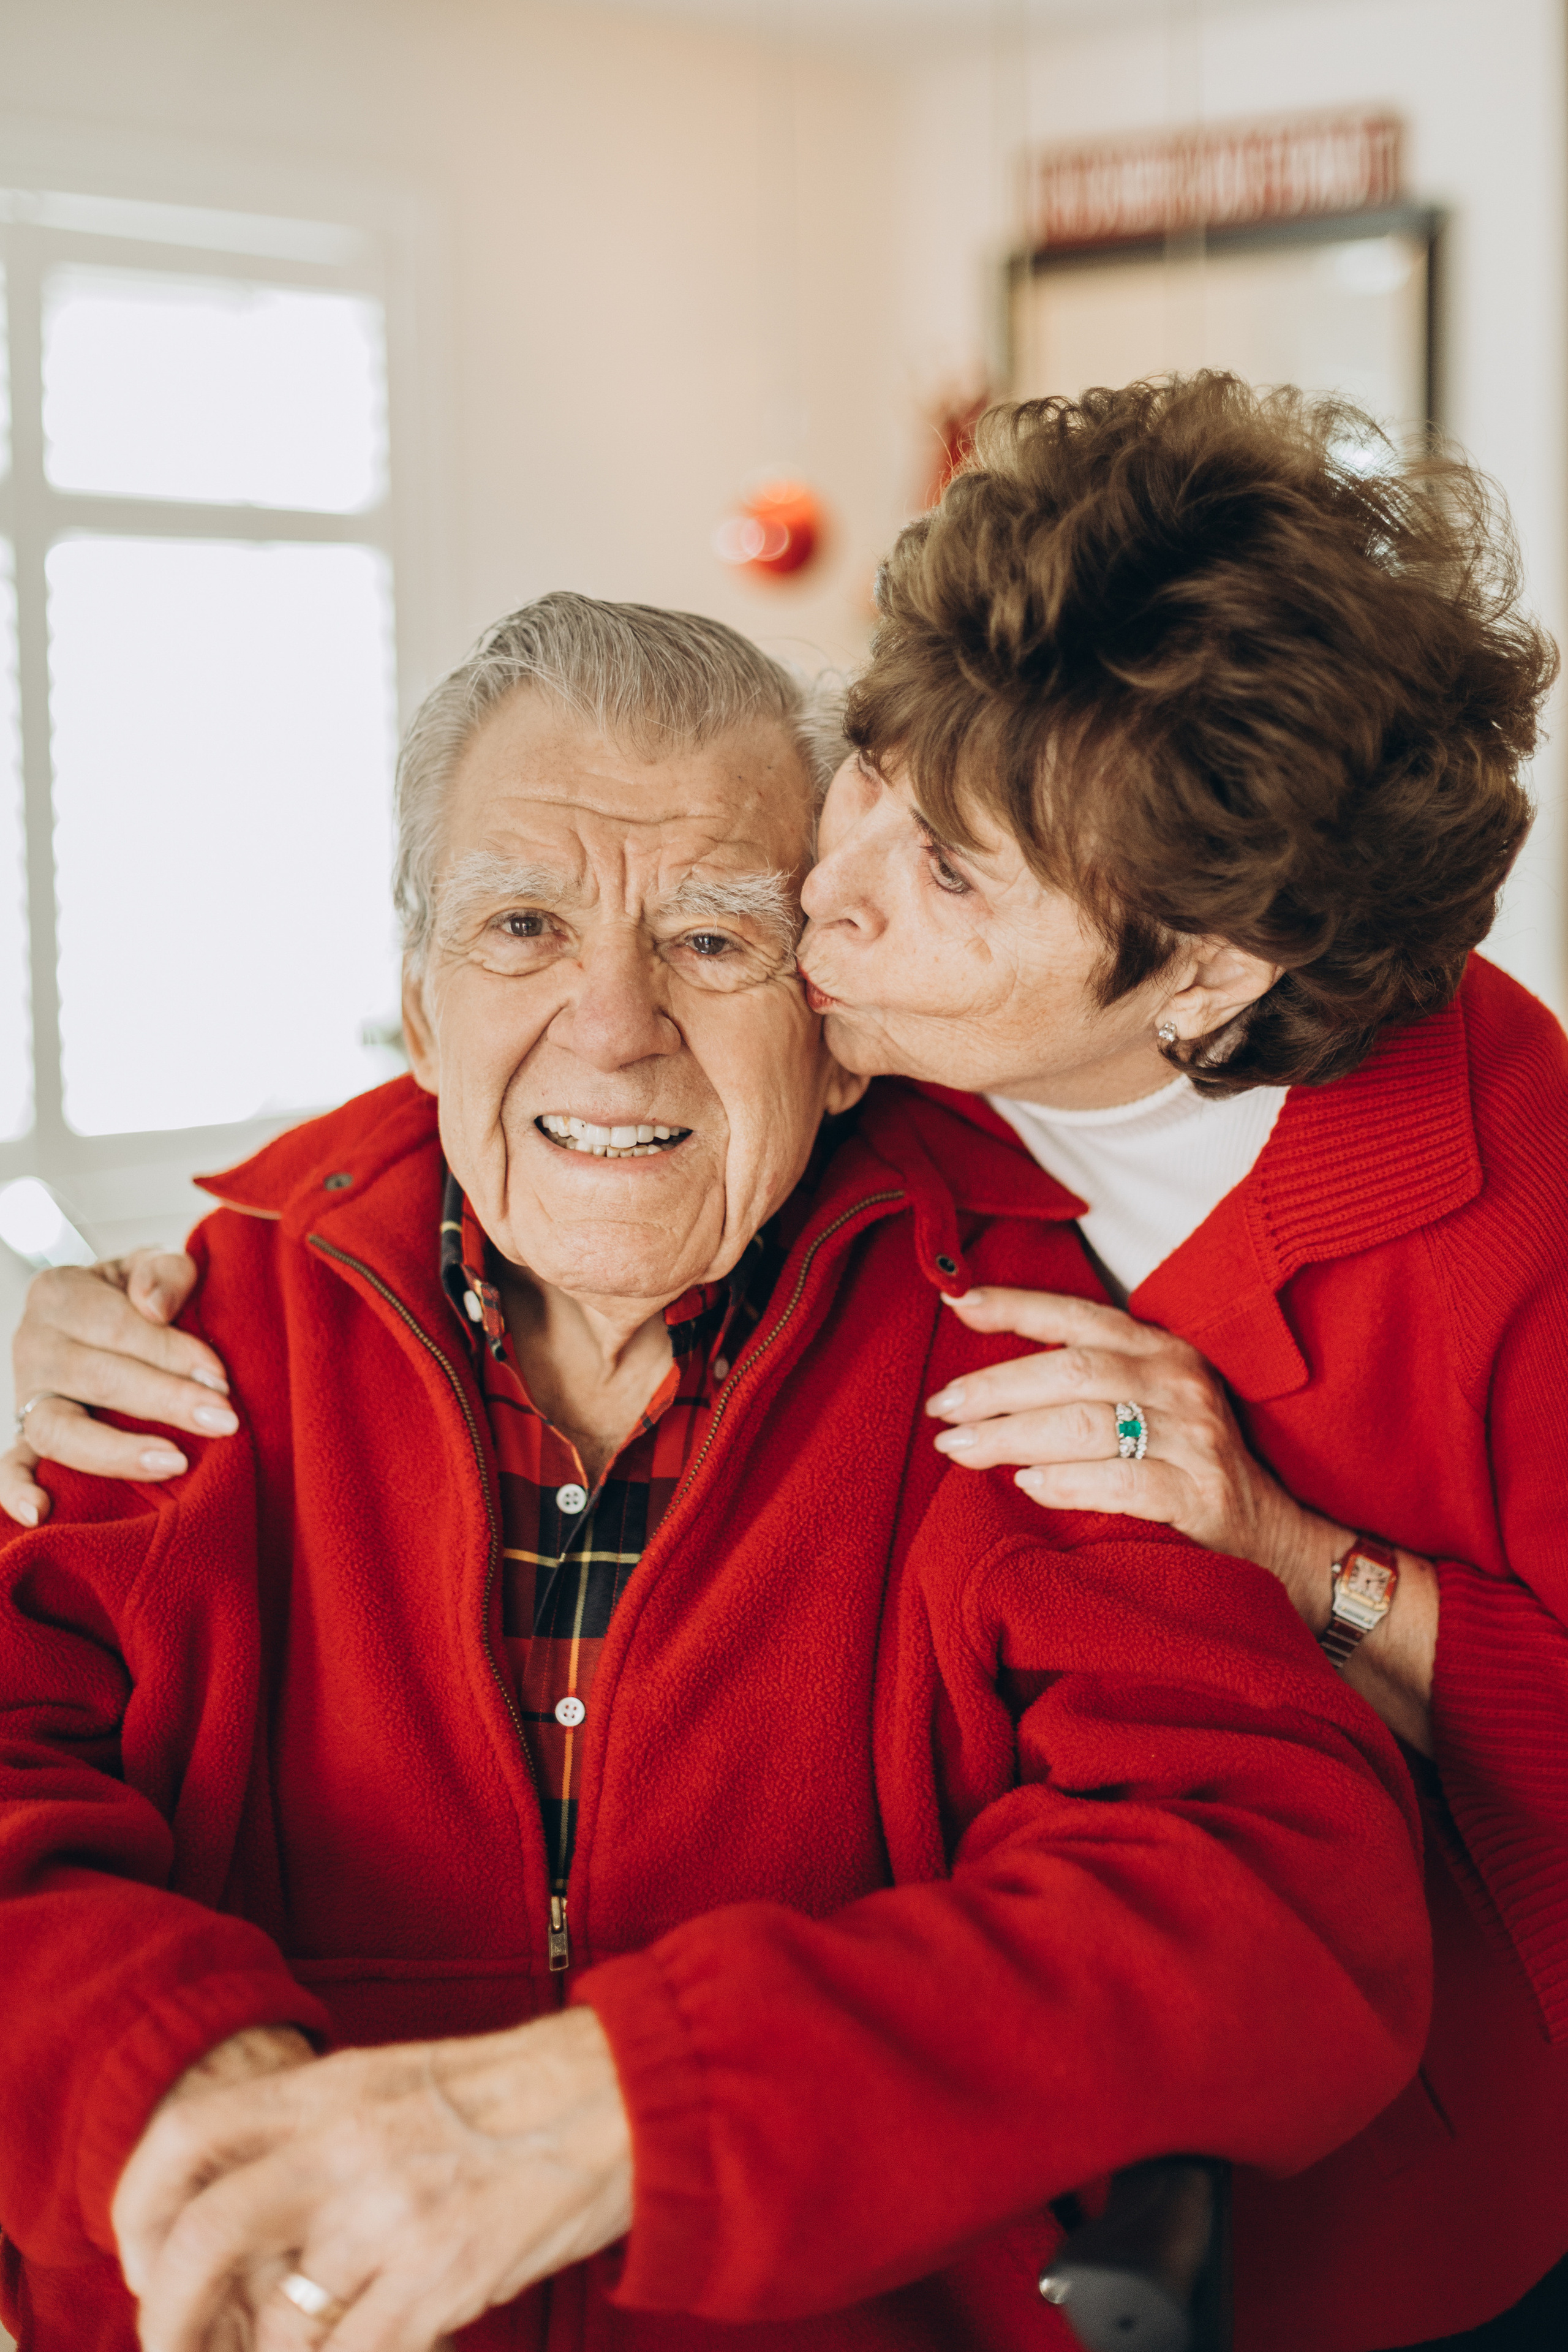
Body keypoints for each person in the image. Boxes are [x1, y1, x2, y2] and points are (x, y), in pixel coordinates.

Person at [13, 379, 1566, 2352]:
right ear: (411, 1001)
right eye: (518, 926)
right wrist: (167, 2095)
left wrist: (633, 2109)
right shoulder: (196, 1332)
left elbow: (1270, 1894)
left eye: (723, 943)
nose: (613, 1027)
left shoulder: (1031, 1344)